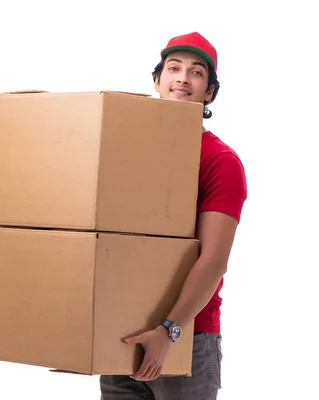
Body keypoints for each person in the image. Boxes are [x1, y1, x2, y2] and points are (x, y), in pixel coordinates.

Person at [100, 32, 248, 400]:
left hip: (187, 336)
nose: (183, 77)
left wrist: (168, 331)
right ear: (157, 81)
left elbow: (213, 261)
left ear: (209, 91)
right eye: (174, 68)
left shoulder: (219, 161)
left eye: (196, 72)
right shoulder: (128, 151)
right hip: (123, 332)